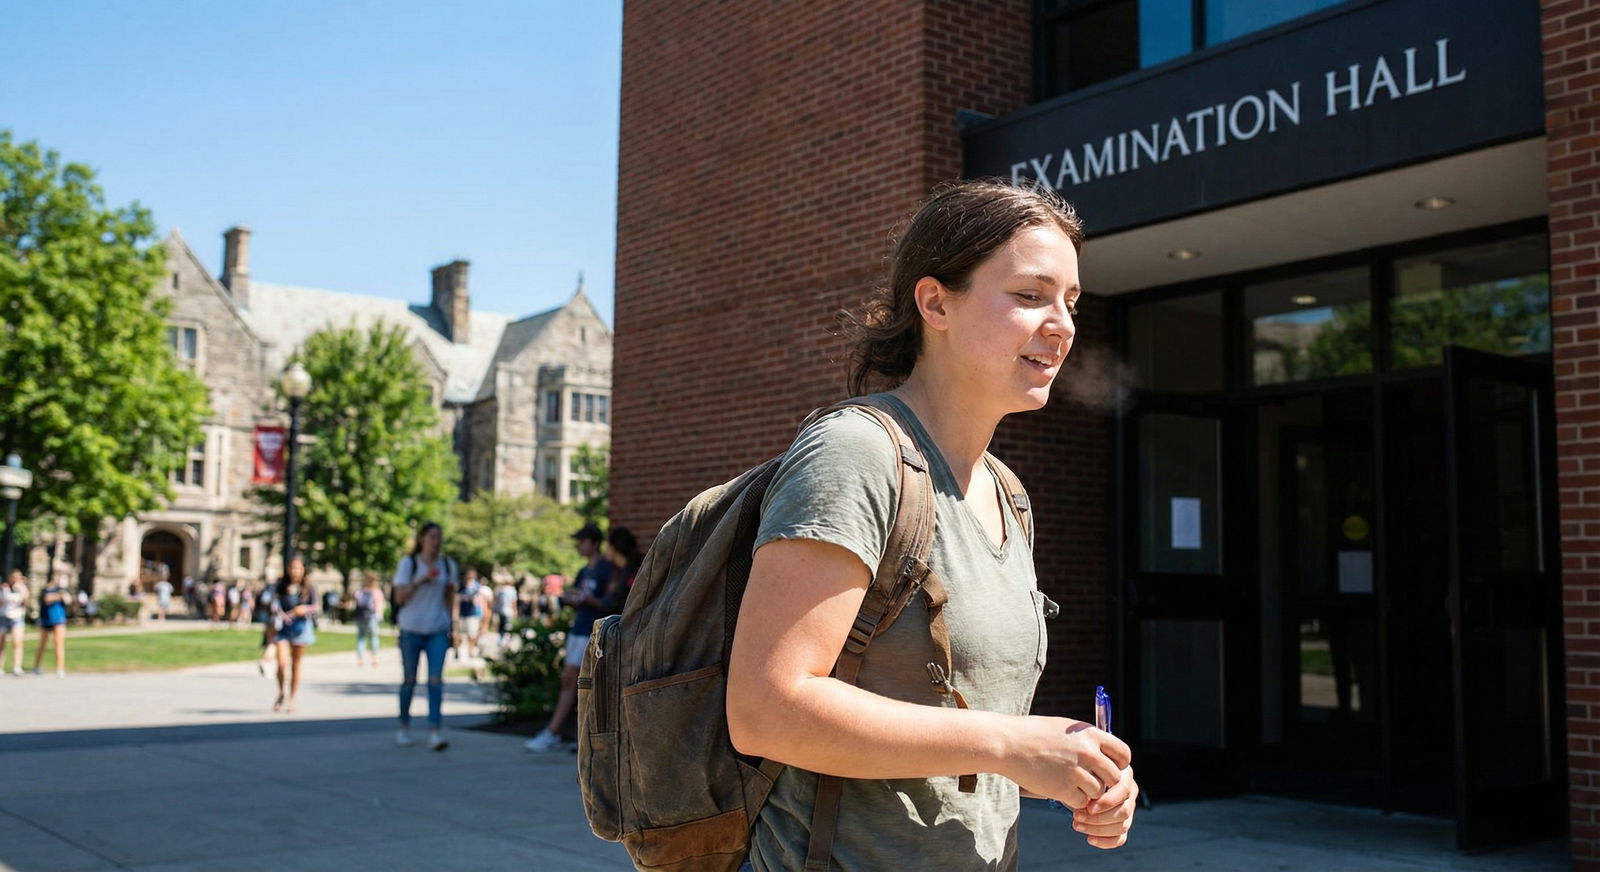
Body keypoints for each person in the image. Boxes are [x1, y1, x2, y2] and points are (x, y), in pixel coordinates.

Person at [723, 180, 1139, 869]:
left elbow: (961, 722)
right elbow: (766, 710)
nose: (1062, 324)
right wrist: (1010, 745)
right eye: (1030, 296)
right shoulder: (856, 454)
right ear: (935, 302)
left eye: (1071, 301)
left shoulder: (1008, 493)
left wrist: (1072, 769)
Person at [525, 522, 619, 752]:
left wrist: (588, 600)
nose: (579, 545)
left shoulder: (606, 570)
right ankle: (567, 732)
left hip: (593, 631)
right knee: (572, 681)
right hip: (579, 629)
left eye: (583, 541)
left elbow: (612, 603)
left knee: (586, 682)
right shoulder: (583, 571)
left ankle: (560, 732)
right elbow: (576, 596)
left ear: (595, 543)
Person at [392, 521, 456, 751]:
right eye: (431, 536)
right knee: (409, 679)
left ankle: (434, 730)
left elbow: (450, 597)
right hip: (411, 628)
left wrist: (453, 625)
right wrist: (420, 580)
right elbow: (399, 598)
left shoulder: (448, 565)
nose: (435, 541)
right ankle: (403, 726)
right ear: (421, 539)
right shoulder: (408, 564)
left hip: (437, 628)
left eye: (439, 536)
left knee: (436, 680)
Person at [271, 556, 317, 714]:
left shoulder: (309, 587)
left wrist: (304, 609)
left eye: (298, 568)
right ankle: (282, 692)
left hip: (301, 627)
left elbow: (316, 606)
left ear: (303, 569)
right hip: (284, 627)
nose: (295, 571)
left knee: (296, 665)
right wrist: (280, 615)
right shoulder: (281, 585)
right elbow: (274, 604)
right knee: (281, 664)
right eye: (292, 567)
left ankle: (292, 699)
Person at [30, 573, 69, 676]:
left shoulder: (63, 590)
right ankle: (36, 666)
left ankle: (60, 668)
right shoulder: (46, 590)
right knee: (42, 645)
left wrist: (63, 596)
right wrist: (58, 596)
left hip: (59, 619)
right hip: (46, 619)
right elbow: (47, 600)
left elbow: (68, 602)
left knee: (59, 644)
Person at [353, 571, 385, 667]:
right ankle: (374, 658)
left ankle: (360, 659)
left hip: (361, 617)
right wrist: (380, 616)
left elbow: (356, 601)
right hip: (372, 617)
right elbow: (379, 606)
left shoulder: (360, 591)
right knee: (374, 637)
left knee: (361, 637)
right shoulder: (376, 592)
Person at [453, 567, 486, 660]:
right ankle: (457, 650)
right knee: (457, 634)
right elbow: (456, 600)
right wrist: (455, 613)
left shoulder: (477, 587)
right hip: (462, 613)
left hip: (473, 614)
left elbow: (481, 602)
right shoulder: (460, 586)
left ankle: (470, 650)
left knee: (472, 634)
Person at [605, 526, 643, 601]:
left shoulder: (634, 572)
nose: (605, 550)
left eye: (608, 546)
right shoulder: (617, 571)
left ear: (614, 547)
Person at [1, 570, 28, 675]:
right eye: (14, 577)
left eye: (18, 577)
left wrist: (22, 591)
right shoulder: (4, 587)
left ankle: (17, 666)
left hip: (17, 617)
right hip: (3, 616)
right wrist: (4, 593)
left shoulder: (22, 588)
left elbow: (26, 603)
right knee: (1, 643)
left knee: (17, 642)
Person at [493, 575, 519, 647]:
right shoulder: (512, 590)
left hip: (501, 610)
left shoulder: (500, 589)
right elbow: (513, 602)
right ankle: (507, 641)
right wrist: (515, 610)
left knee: (501, 625)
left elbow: (496, 600)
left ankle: (501, 639)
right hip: (509, 610)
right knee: (508, 626)